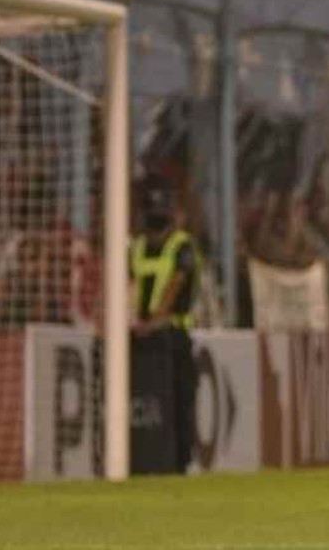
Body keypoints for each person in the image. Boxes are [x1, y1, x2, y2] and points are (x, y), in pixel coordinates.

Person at [129, 175, 201, 473]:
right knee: (146, 406)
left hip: (173, 334)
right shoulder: (136, 247)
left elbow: (175, 283)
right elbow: (131, 285)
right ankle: (144, 462)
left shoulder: (182, 245)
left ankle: (180, 464)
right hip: (141, 336)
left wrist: (156, 319)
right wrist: (134, 322)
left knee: (179, 403)